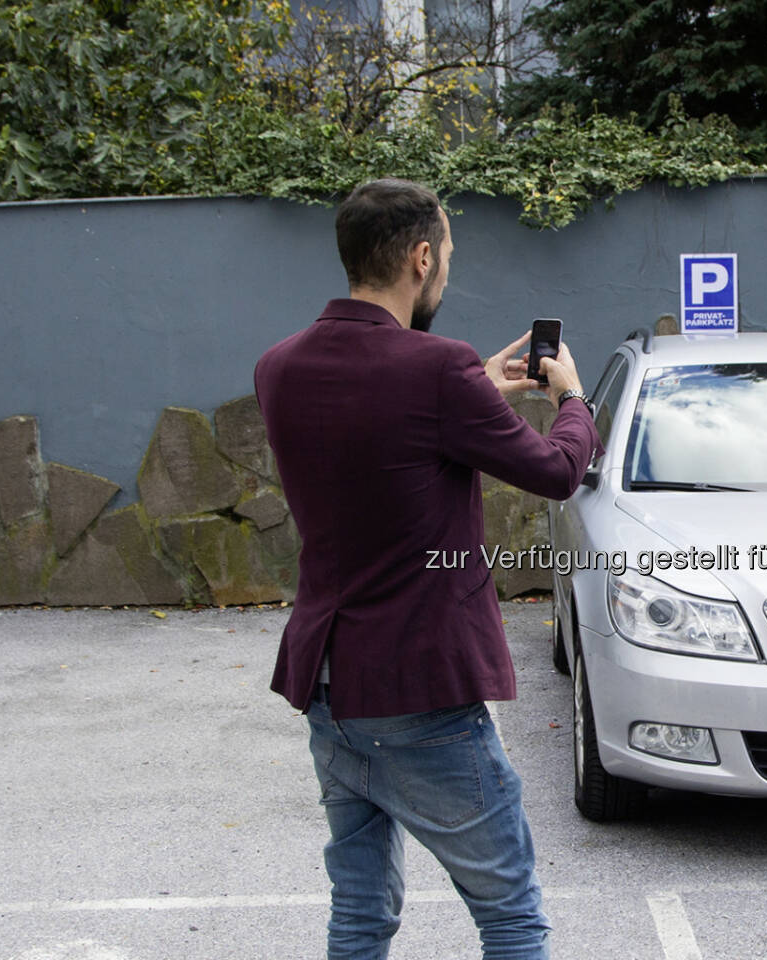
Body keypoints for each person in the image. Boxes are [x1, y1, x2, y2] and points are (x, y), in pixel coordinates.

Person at [254, 177, 599, 960]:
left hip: (331, 689)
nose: (445, 268)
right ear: (419, 257)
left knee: (361, 912)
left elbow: (373, 426)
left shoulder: (278, 367)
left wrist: (474, 384)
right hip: (421, 695)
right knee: (511, 915)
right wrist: (572, 397)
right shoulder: (435, 371)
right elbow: (553, 471)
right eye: (446, 254)